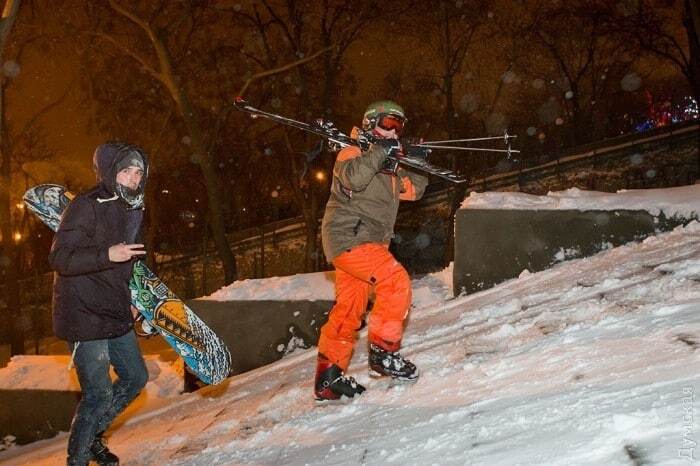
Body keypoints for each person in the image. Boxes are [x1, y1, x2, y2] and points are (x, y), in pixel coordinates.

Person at [314, 100, 428, 401]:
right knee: (395, 280)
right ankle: (384, 352)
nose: (393, 131)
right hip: (351, 238)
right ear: (369, 123)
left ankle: (329, 377)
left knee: (349, 309)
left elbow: (413, 191)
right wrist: (380, 152)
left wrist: (417, 163)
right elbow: (353, 177)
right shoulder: (352, 152)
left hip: (365, 244)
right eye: (388, 123)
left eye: (399, 126)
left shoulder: (386, 167)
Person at [49, 142, 150, 466]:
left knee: (135, 376)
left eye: (138, 172)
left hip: (114, 308)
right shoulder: (86, 205)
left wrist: (134, 297)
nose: (133, 179)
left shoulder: (135, 207)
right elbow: (61, 258)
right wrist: (107, 254)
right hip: (82, 314)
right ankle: (77, 460)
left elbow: (133, 258)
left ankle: (93, 435)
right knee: (98, 394)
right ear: (109, 172)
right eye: (125, 171)